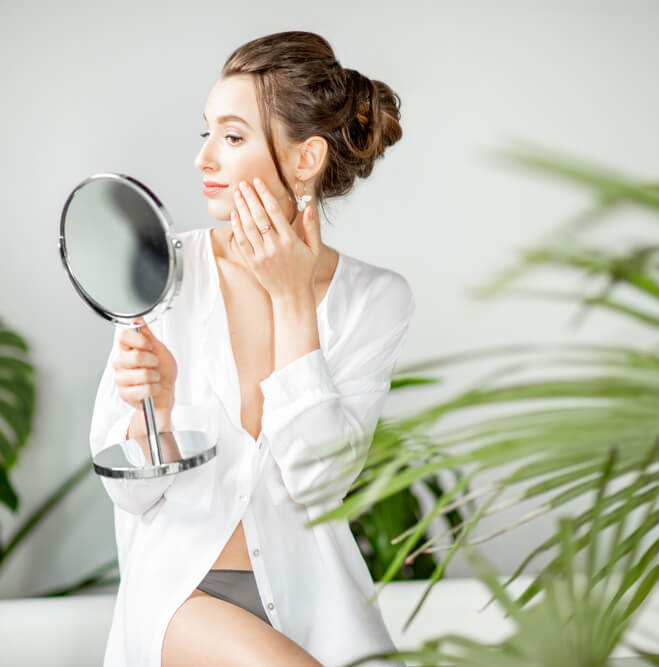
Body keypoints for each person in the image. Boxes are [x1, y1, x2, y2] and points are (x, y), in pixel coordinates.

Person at [89, 30, 415, 667]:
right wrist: (147, 408)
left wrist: (293, 298)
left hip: (312, 602)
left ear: (305, 159)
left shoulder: (377, 299)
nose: (203, 159)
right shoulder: (163, 269)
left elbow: (319, 484)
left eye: (232, 137)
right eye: (205, 132)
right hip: (179, 595)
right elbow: (130, 494)